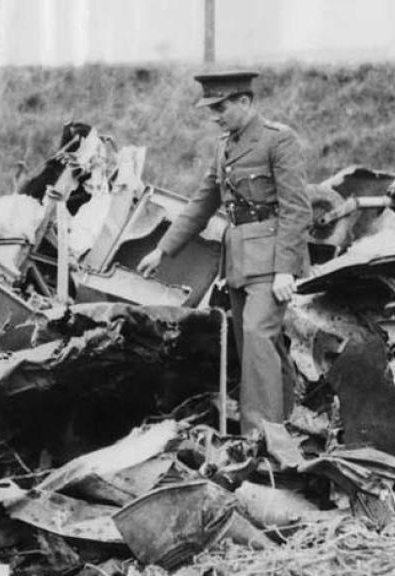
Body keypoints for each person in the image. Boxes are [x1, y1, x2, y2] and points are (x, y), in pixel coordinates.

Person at [137, 71, 311, 434]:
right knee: (256, 345)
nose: (215, 115)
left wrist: (285, 270)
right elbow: (201, 204)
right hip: (237, 261)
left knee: (258, 337)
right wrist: (163, 250)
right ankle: (287, 424)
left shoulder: (278, 141)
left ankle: (258, 436)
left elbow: (296, 209)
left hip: (271, 260)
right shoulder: (223, 146)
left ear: (244, 102)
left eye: (221, 107)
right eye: (212, 108)